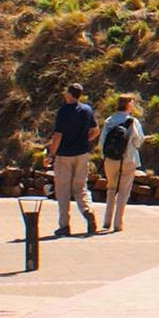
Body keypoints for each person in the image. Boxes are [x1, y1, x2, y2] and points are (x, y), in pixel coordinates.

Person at [47, 82, 99, 237]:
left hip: (64, 155)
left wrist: (51, 154)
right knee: (81, 187)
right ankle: (87, 210)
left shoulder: (63, 111)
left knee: (63, 191)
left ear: (69, 94)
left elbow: (58, 135)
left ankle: (64, 225)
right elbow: (95, 131)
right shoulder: (87, 110)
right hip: (82, 153)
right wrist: (84, 140)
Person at [99, 94, 146, 233]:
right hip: (128, 159)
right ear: (128, 105)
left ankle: (106, 220)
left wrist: (105, 157)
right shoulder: (133, 122)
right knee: (124, 192)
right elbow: (138, 141)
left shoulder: (109, 121)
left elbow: (102, 142)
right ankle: (118, 223)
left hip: (111, 160)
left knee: (111, 189)